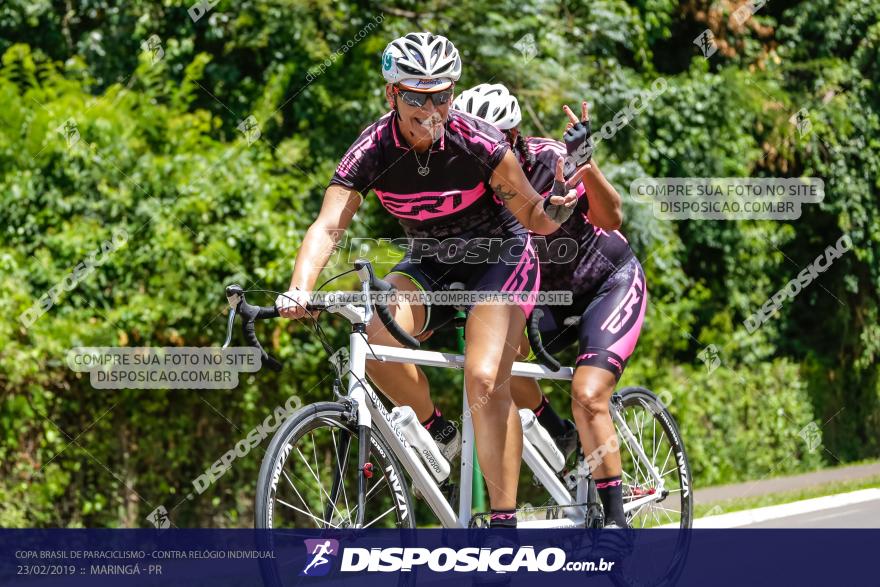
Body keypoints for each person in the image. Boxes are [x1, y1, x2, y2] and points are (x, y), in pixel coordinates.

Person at [276, 33, 583, 529]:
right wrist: (300, 287)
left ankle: (501, 529)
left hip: (499, 260)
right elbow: (329, 225)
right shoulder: (372, 150)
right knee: (376, 338)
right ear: (391, 94)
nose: (431, 107)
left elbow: (533, 218)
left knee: (484, 379)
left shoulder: (478, 141)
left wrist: (555, 211)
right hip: (431, 265)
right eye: (416, 96)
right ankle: (438, 430)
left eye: (441, 94)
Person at [453, 83, 646, 530]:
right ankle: (557, 430)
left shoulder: (548, 159)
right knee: (495, 357)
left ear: (514, 137)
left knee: (589, 394)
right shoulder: (471, 181)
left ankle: (616, 525)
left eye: (492, 143)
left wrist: (587, 164)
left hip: (606, 282)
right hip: (546, 294)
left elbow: (612, 218)